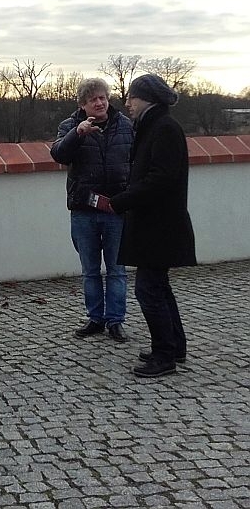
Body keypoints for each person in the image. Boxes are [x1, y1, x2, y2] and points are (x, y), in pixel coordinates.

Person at [109, 74, 196, 378]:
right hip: (155, 224)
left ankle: (164, 355)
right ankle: (174, 345)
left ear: (147, 98)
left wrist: (123, 199)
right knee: (158, 286)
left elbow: (161, 179)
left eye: (131, 97)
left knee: (149, 290)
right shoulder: (155, 126)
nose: (127, 103)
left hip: (160, 225)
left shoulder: (164, 128)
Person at [51, 78, 134, 342]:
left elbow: (137, 160)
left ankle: (115, 321)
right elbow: (59, 155)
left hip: (116, 208)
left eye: (103, 98)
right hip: (83, 209)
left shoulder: (125, 125)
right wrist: (78, 133)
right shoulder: (69, 126)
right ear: (83, 104)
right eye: (93, 100)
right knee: (90, 270)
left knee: (117, 269)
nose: (99, 103)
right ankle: (95, 318)